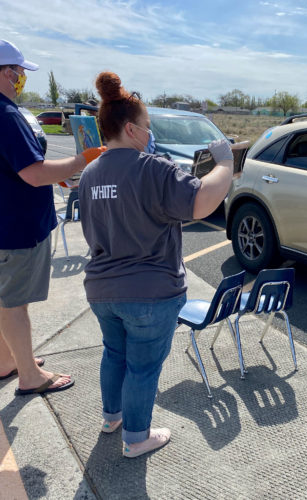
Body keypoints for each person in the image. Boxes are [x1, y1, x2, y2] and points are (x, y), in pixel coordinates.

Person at [78, 71, 234, 458]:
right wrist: (226, 164)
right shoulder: (153, 168)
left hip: (101, 289)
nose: (150, 134)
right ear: (131, 129)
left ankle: (111, 417)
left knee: (114, 354)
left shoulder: (91, 173)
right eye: (147, 127)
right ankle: (137, 437)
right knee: (143, 368)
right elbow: (201, 201)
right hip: (150, 292)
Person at [0, 40, 105, 395]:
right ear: (4, 71)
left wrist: (56, 173)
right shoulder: (8, 115)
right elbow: (31, 172)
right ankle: (29, 376)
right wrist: (81, 161)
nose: (20, 78)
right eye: (17, 71)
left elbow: (19, 169)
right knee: (15, 304)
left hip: (8, 222)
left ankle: (8, 360)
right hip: (18, 228)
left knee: (5, 299)